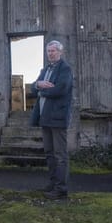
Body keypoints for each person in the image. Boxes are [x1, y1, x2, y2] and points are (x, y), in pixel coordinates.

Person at [30, 40, 73, 200]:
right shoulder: (45, 69)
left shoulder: (65, 69)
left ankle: (61, 189)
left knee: (60, 155)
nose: (51, 53)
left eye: (54, 51)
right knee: (49, 153)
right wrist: (39, 84)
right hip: (45, 117)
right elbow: (33, 87)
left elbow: (61, 90)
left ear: (60, 52)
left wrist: (41, 91)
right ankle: (53, 184)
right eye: (48, 51)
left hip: (58, 118)